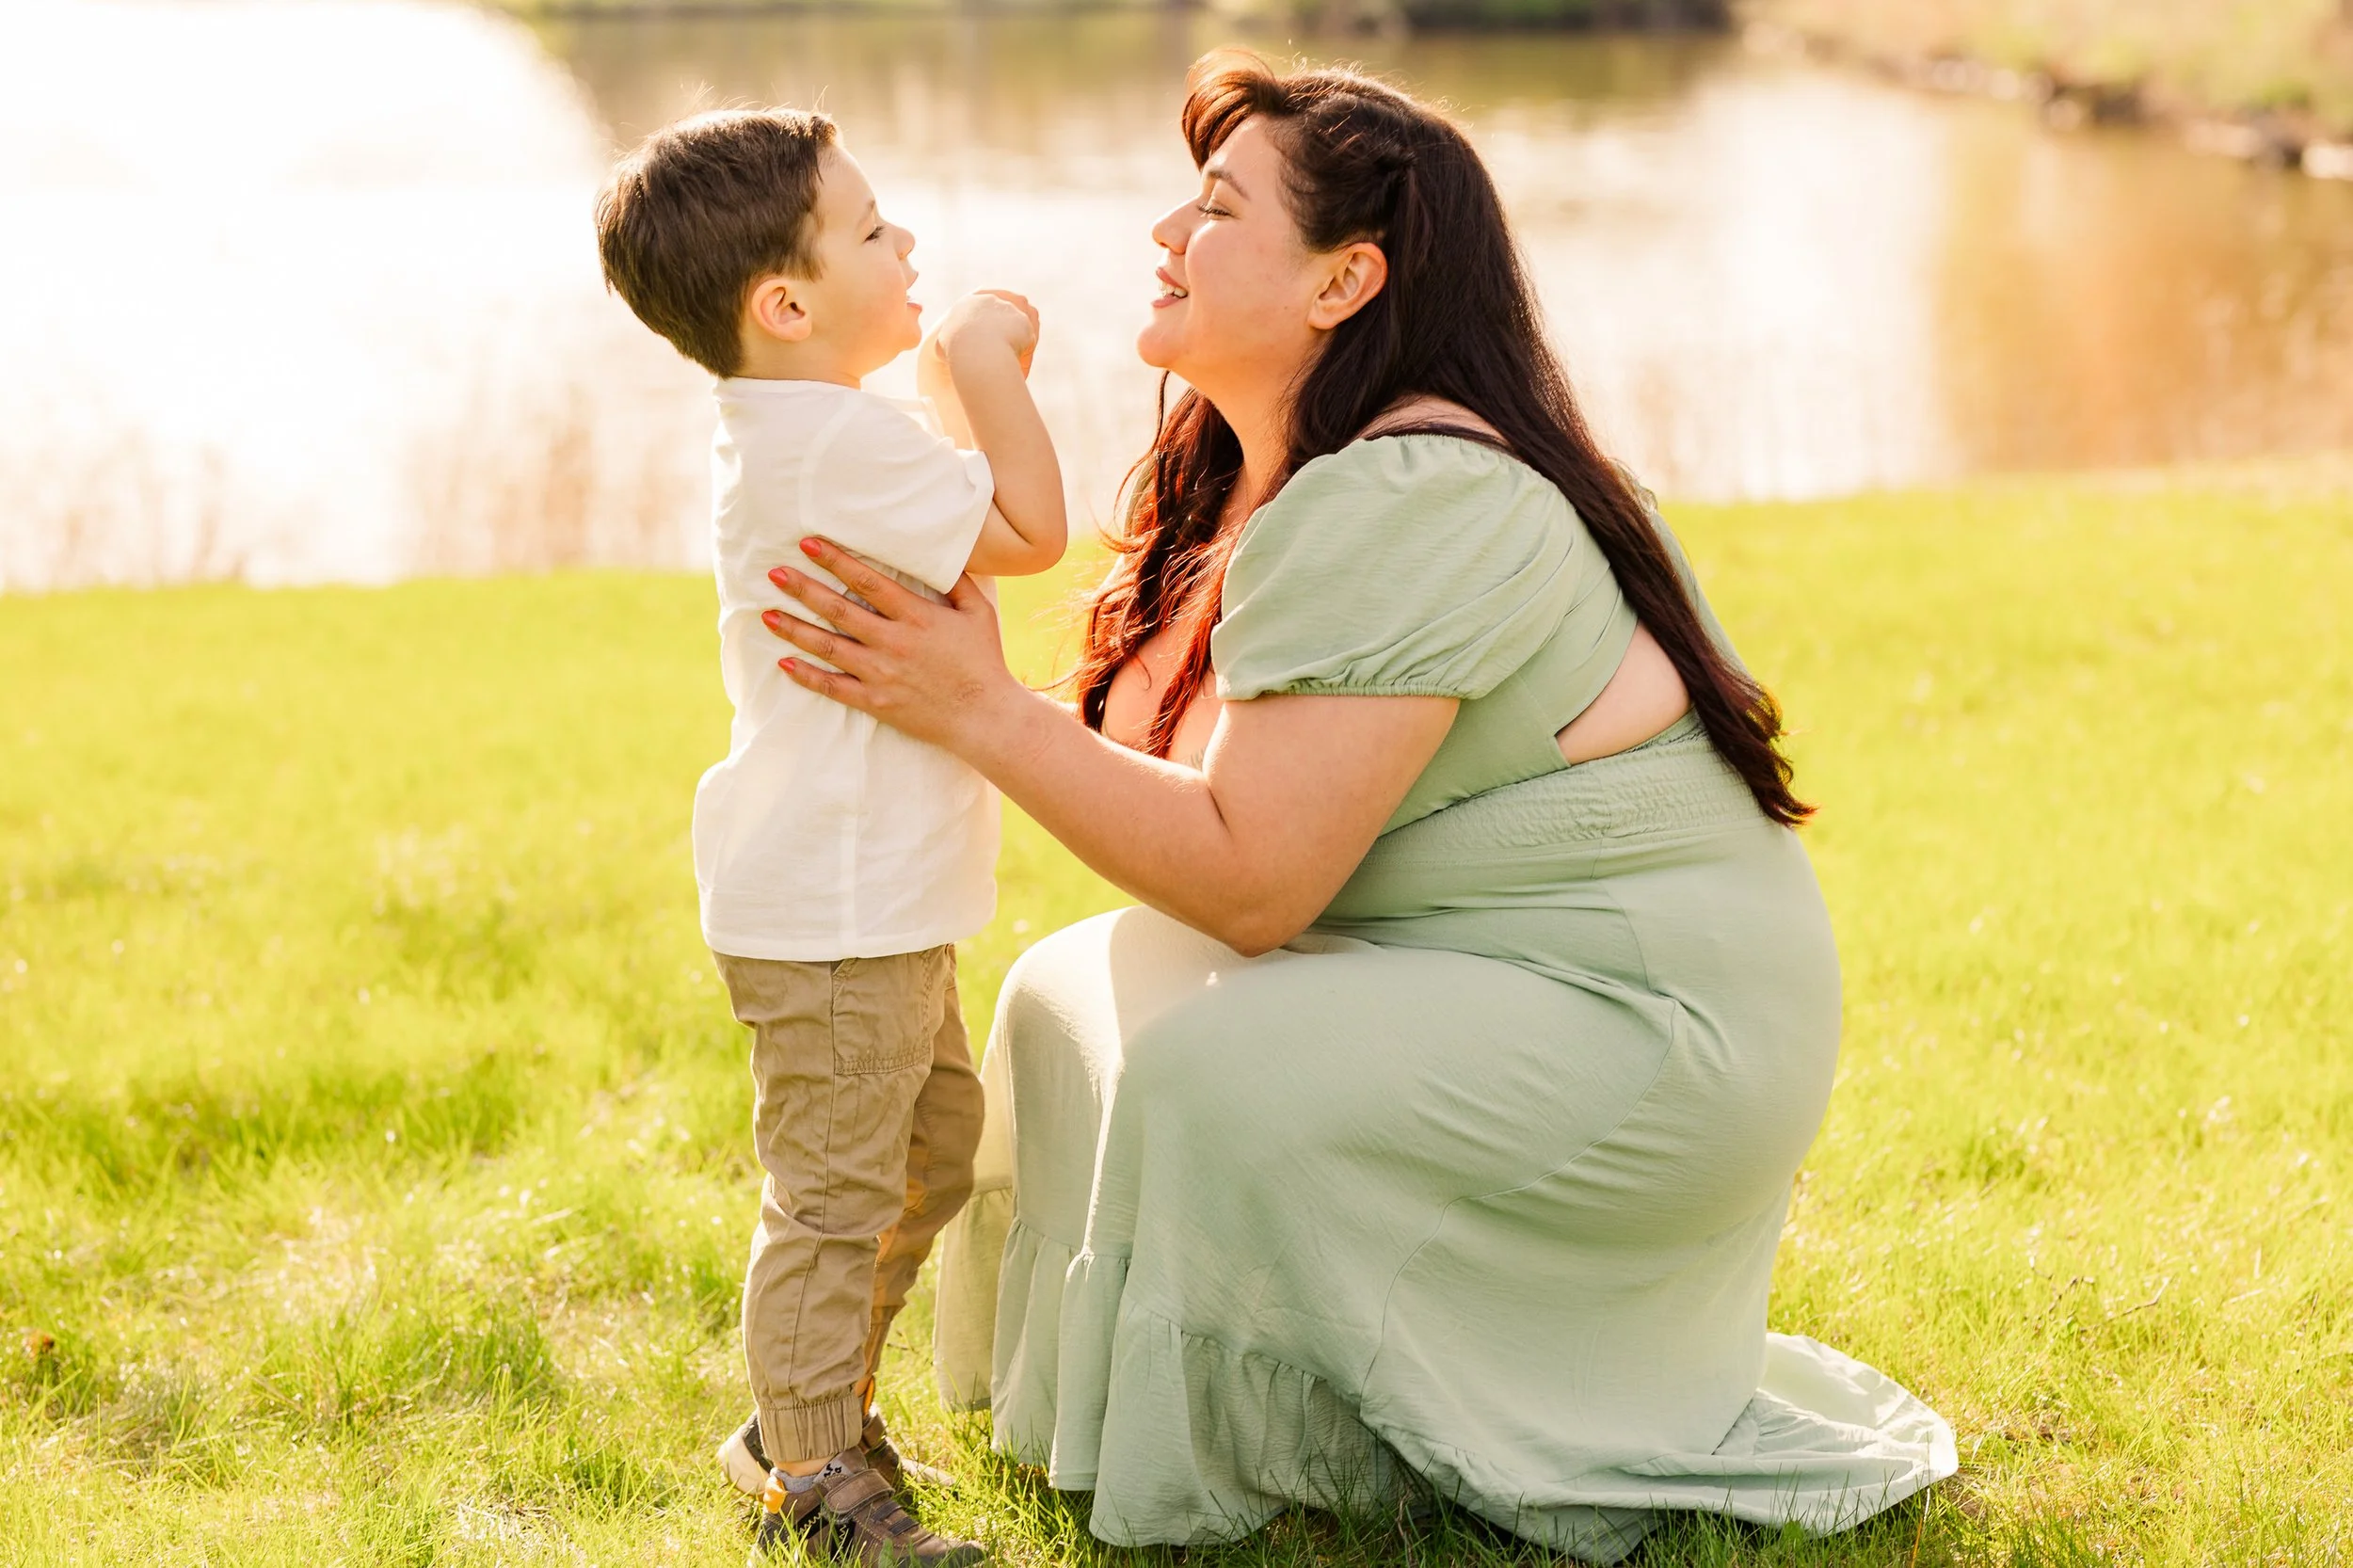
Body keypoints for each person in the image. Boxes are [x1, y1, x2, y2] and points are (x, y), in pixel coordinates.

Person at [760, 54, 1956, 1566]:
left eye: (1215, 208)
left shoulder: (1419, 493)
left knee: (1206, 1072)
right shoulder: (1274, 480)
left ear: (1345, 280)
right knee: (1068, 987)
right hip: (1480, 967)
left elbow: (1252, 881)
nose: (1164, 237)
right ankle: (1095, 1415)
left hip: (1645, 1023)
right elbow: (1158, 770)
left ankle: (1325, 1449)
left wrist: (976, 709)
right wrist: (972, 419)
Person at [595, 106, 1068, 1565]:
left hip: (866, 893)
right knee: (837, 1193)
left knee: (929, 1145)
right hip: (839, 906)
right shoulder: (835, 441)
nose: (907, 240)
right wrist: (978, 363)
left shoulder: (809, 433)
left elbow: (958, 528)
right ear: (785, 303)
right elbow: (1037, 528)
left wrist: (928, 383)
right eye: (871, 228)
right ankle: (809, 1464)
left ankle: (806, 1408)